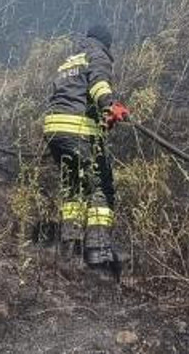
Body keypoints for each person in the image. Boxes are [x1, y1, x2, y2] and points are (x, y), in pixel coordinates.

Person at [43, 24, 130, 270]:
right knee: (100, 188)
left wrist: (103, 120)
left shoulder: (69, 61)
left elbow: (71, 96)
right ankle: (98, 252)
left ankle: (69, 246)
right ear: (106, 42)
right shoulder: (97, 54)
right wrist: (110, 105)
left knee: (73, 187)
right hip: (77, 129)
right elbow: (98, 84)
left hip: (55, 131)